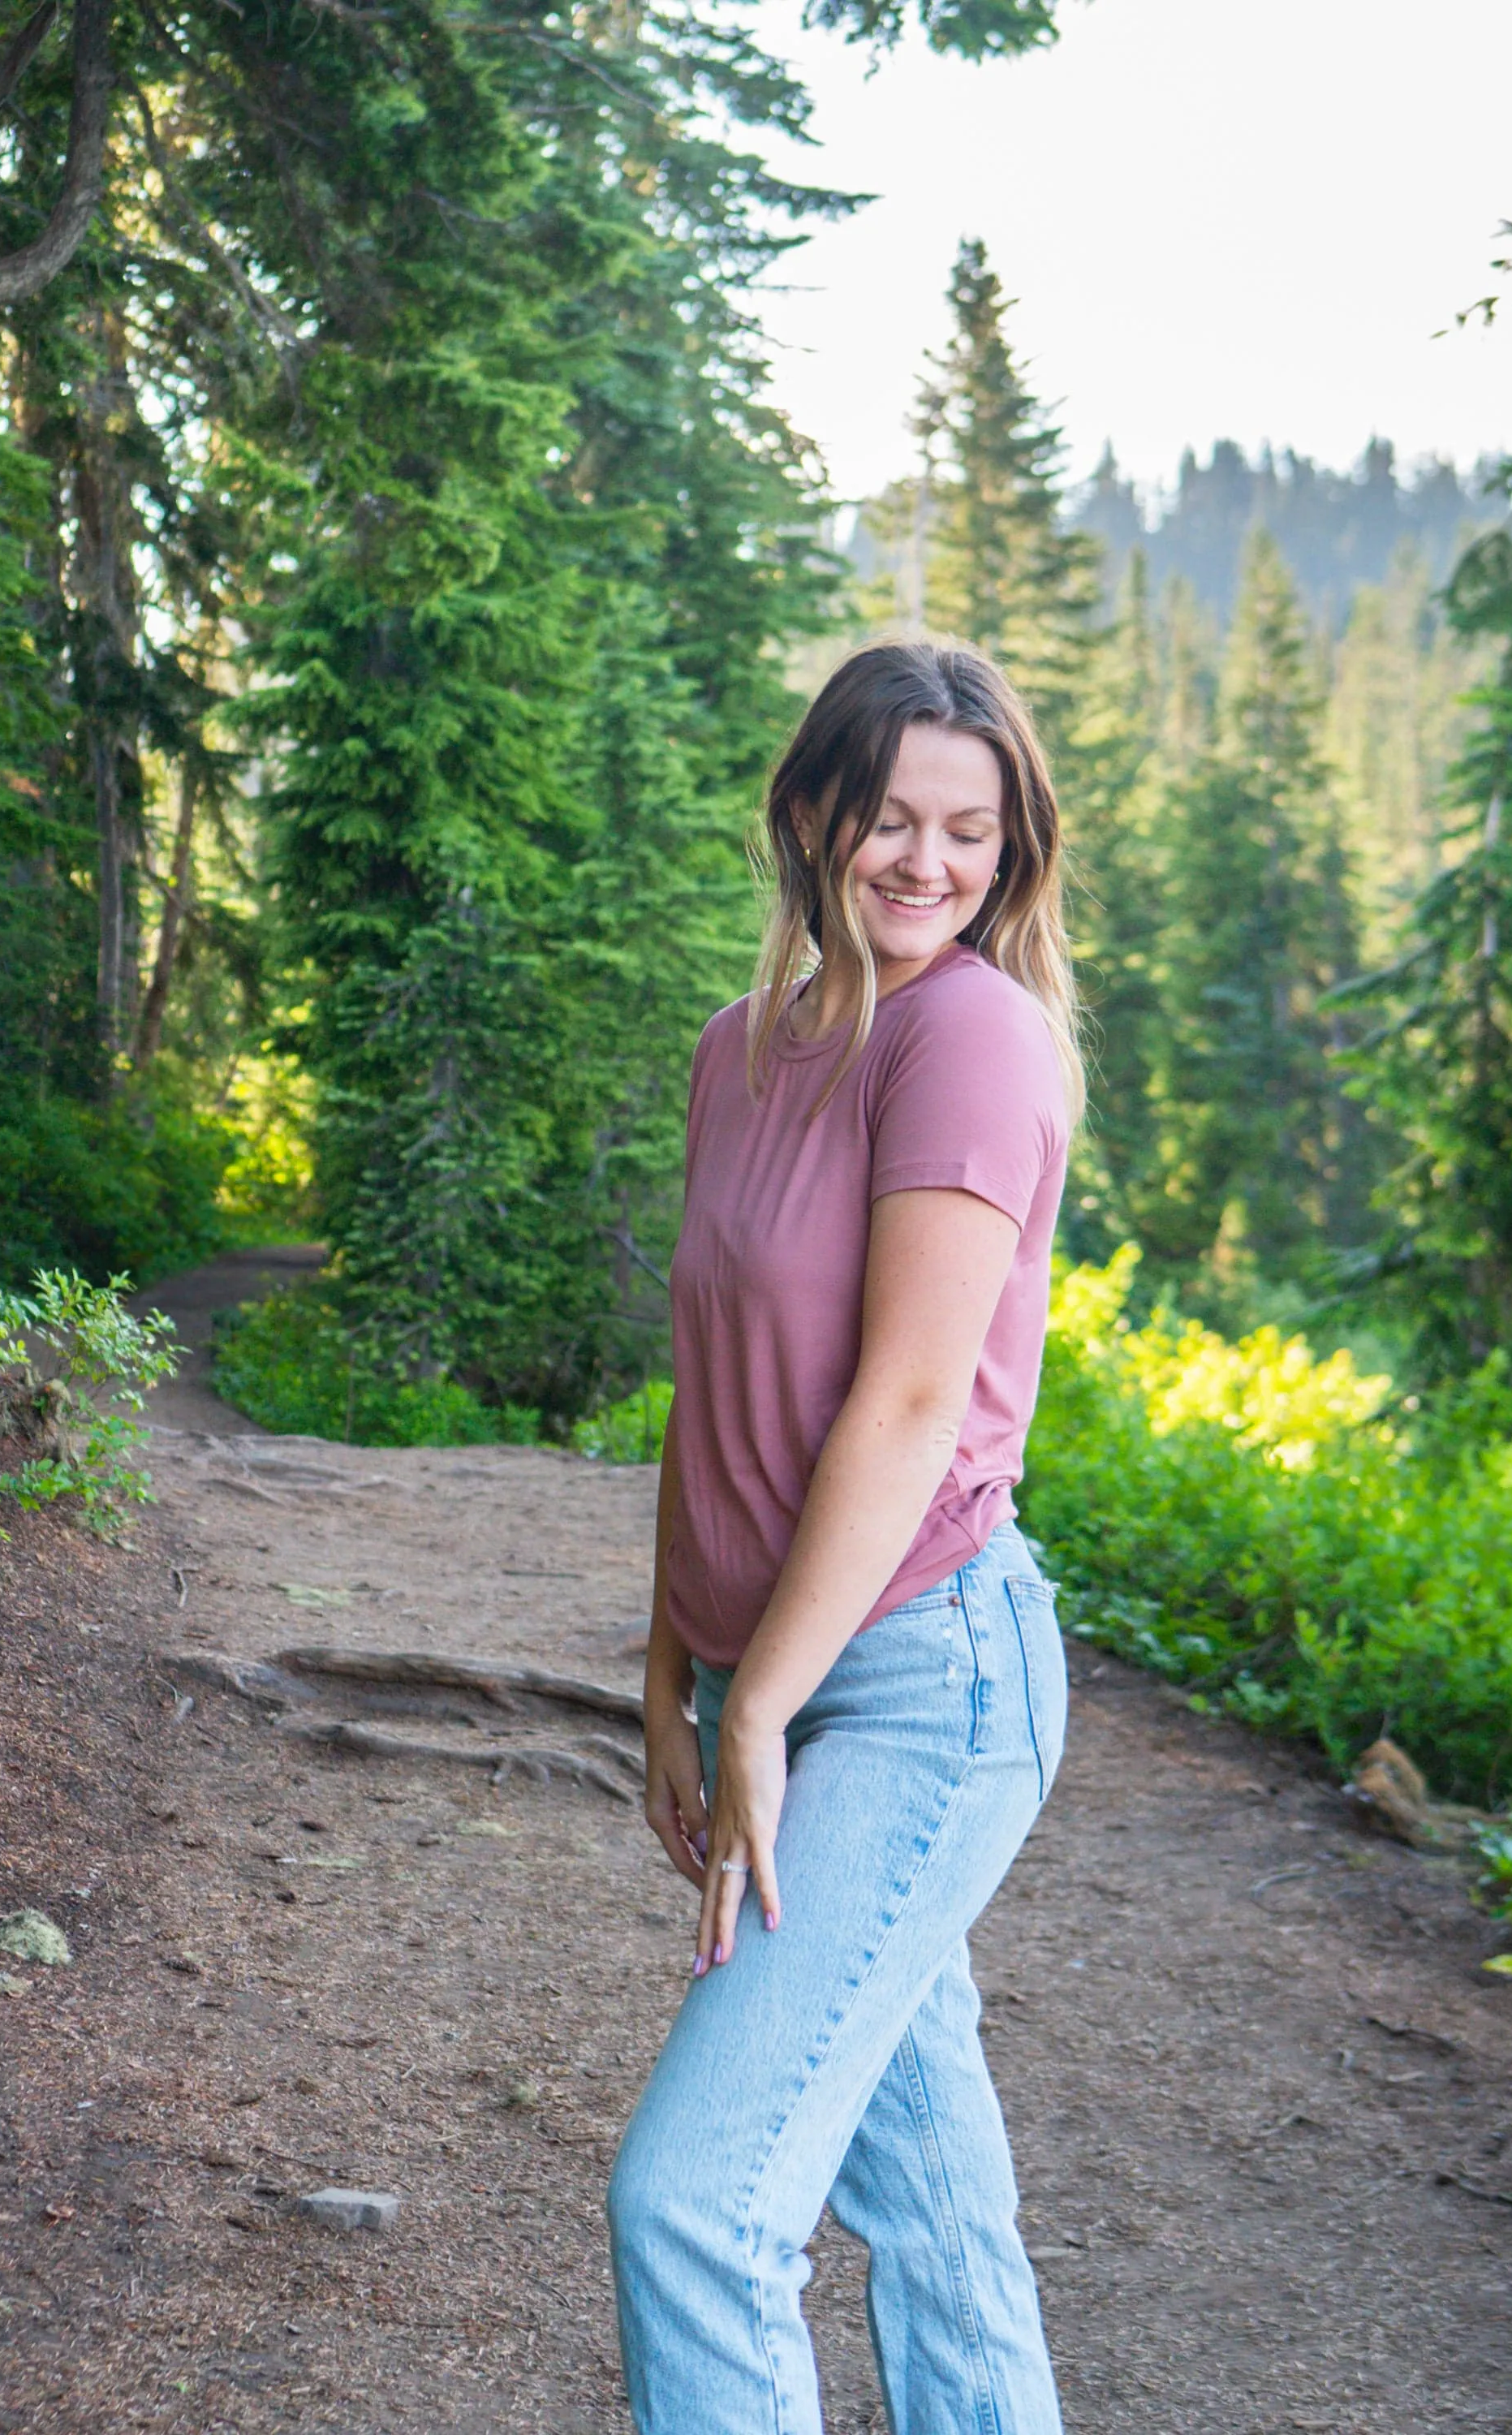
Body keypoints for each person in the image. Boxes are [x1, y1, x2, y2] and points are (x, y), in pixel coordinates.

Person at [606, 638, 1082, 2435]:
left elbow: (899, 1410)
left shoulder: (972, 1037)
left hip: (917, 1680)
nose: (927, 864)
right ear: (814, 816)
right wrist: (674, 1670)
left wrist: (758, 1710)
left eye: (969, 831)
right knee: (935, 2213)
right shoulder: (743, 1049)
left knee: (698, 2203)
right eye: (891, 818)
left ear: (1009, 850)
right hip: (778, 1669)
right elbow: (710, 1379)